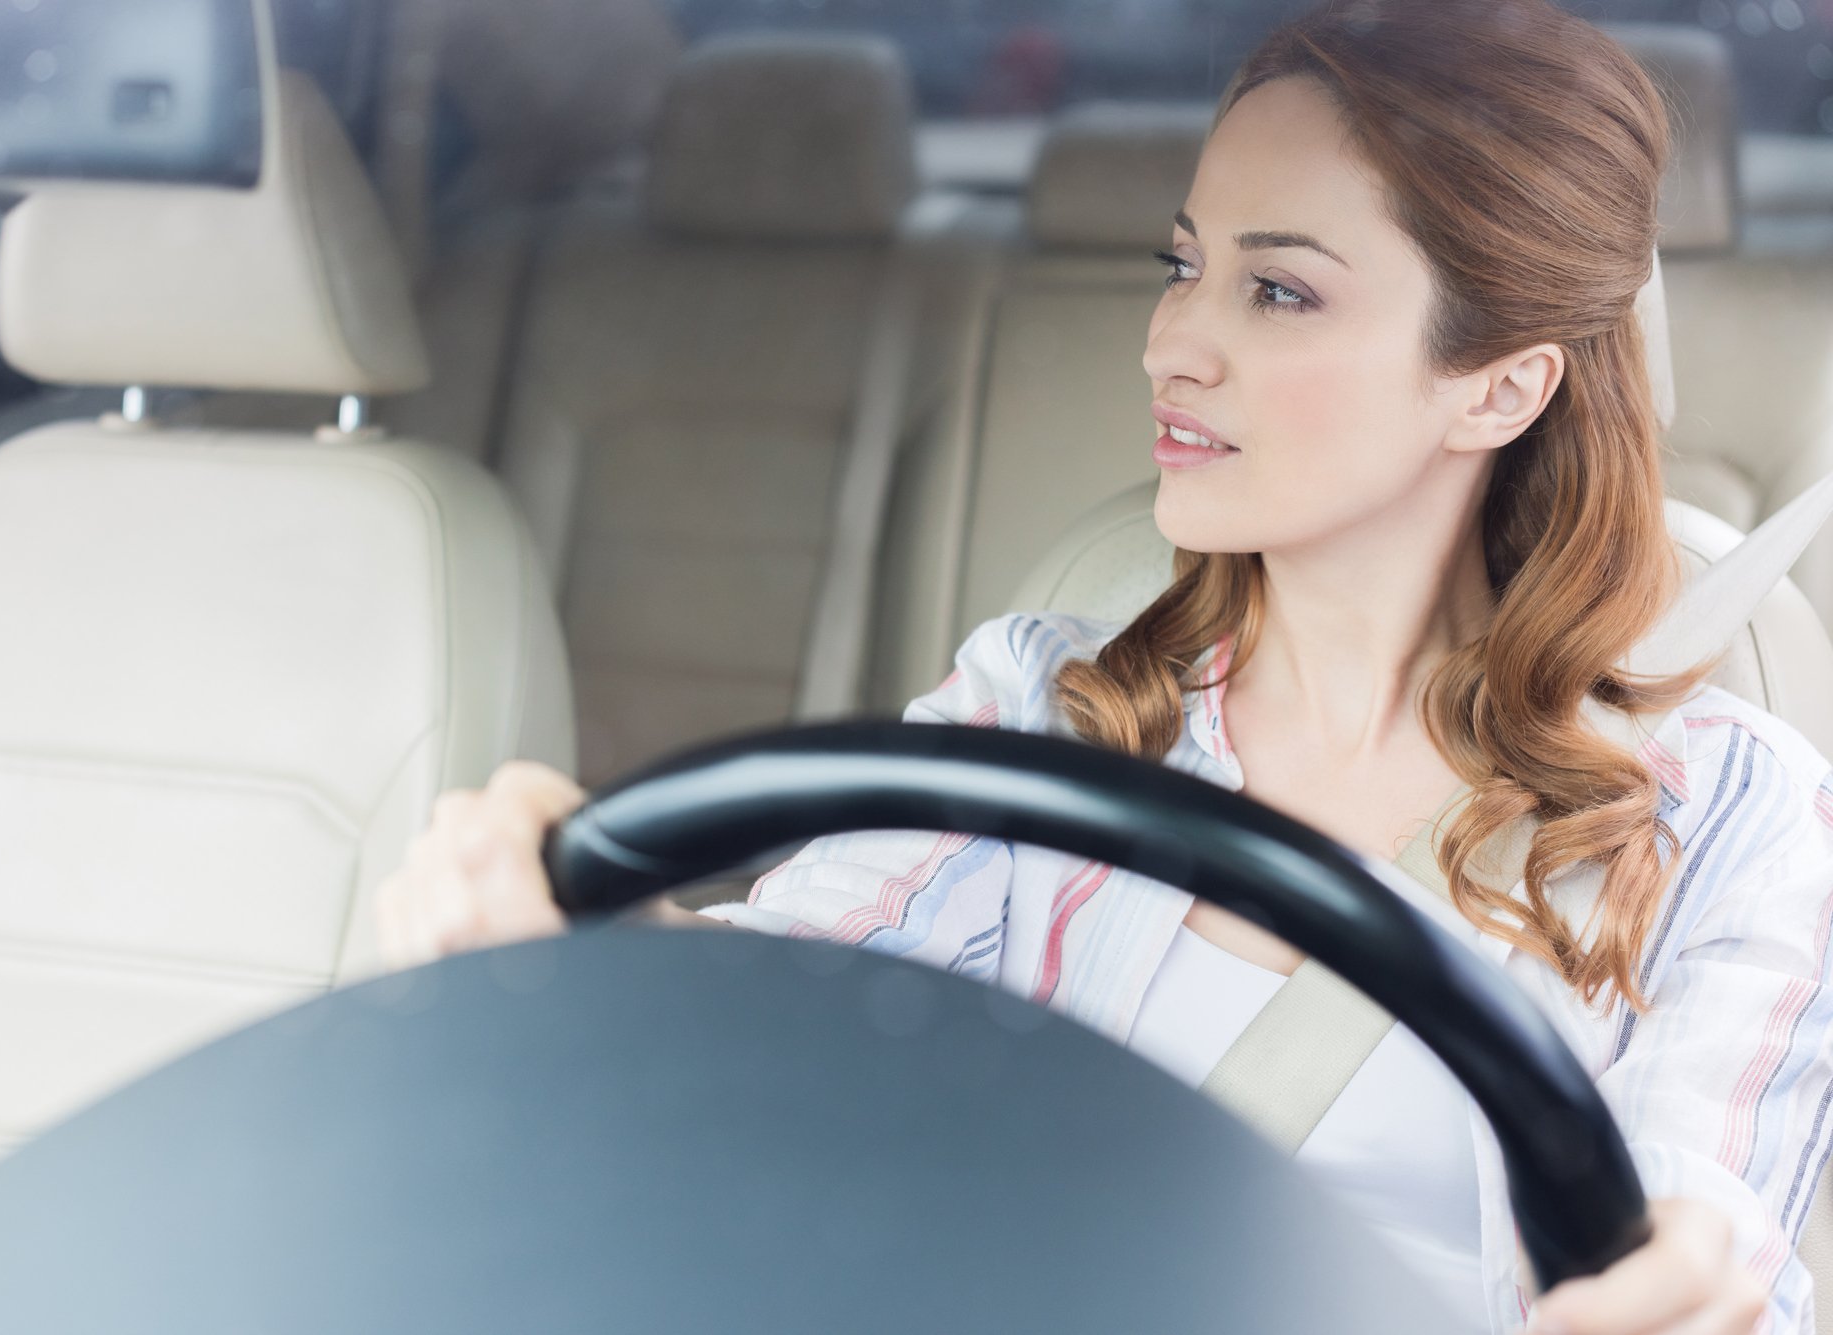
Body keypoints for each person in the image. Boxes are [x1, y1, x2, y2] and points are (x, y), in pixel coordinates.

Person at [374, 1, 1833, 1331]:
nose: (1168, 344)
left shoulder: (1730, 817)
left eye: (1279, 294)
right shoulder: (1040, 707)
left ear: (1499, 384)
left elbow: (1706, 1217)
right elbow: (792, 1015)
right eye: (1184, 264)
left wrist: (1691, 1284)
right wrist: (588, 951)